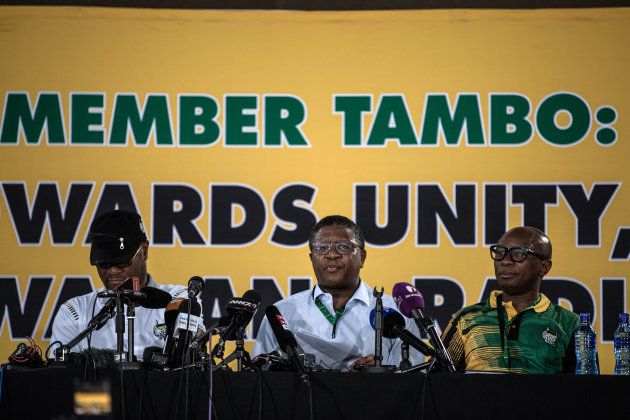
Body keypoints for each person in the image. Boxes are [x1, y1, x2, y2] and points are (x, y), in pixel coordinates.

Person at [253, 215, 423, 370]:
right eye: (322, 247)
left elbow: (413, 383)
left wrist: (377, 377)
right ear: (312, 258)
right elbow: (260, 379)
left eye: (343, 246)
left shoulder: (395, 314)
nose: (332, 254)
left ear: (362, 257)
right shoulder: (281, 313)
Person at [50, 210, 200, 361]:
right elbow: (63, 379)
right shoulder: (73, 312)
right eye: (103, 263)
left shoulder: (178, 300)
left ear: (144, 250)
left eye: (121, 261)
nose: (112, 271)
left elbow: (186, 365)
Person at [441, 226, 580, 374]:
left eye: (519, 254)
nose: (505, 261)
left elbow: (586, 390)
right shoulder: (465, 319)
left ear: (544, 267)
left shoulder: (569, 323)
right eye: (500, 252)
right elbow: (436, 384)